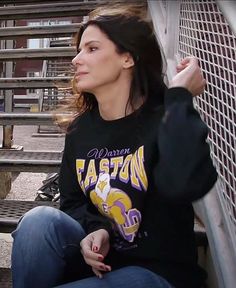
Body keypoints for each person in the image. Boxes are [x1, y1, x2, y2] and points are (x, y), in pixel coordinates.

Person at [11, 4, 217, 288]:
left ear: (128, 58)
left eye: (92, 49)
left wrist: (180, 97)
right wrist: (98, 229)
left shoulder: (165, 117)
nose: (76, 60)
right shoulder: (81, 129)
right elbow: (71, 202)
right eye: (79, 50)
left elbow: (185, 184)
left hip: (157, 272)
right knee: (38, 220)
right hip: (100, 264)